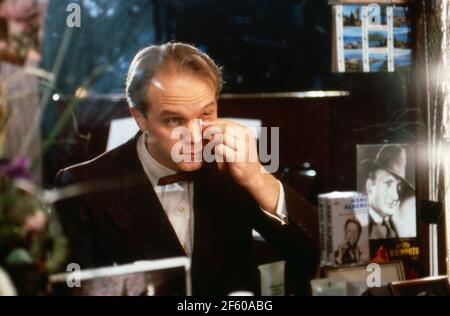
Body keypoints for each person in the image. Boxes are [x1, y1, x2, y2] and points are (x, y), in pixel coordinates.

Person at [54, 42, 318, 295]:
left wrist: (258, 177)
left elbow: (322, 255)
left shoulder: (231, 168)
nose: (194, 136)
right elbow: (75, 290)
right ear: (140, 119)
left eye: (205, 115)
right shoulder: (81, 187)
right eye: (174, 120)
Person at [359, 144, 415, 240]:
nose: (396, 196)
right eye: (388, 183)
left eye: (399, 186)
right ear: (370, 186)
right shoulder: (359, 227)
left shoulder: (393, 226)